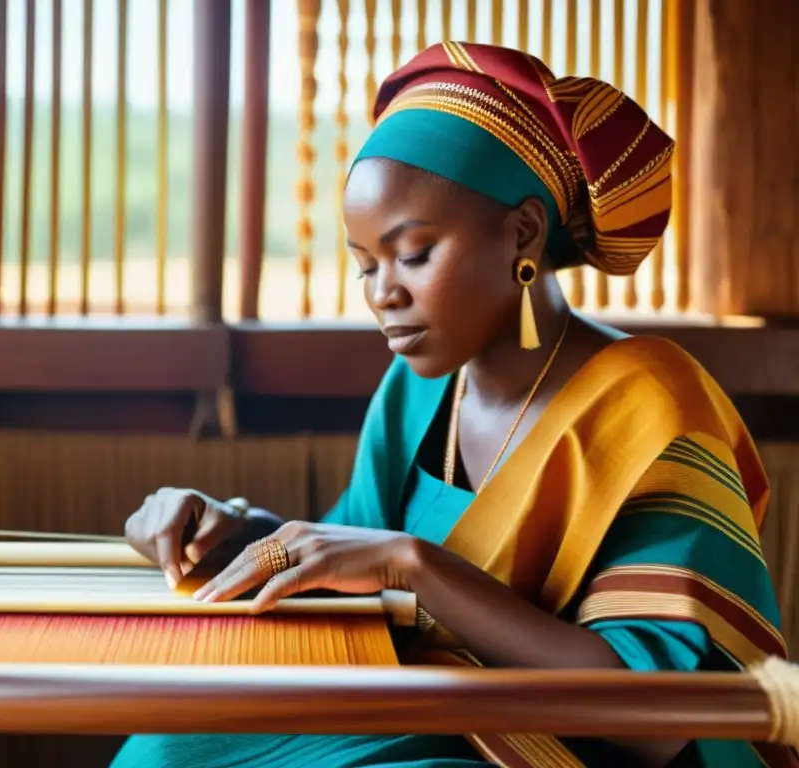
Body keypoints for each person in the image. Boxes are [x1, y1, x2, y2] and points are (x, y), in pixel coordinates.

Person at [111, 42, 792, 768]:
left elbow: (654, 718)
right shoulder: (421, 387)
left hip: (554, 749)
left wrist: (417, 565)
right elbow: (353, 557)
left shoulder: (653, 406)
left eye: (414, 254)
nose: (383, 294)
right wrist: (235, 530)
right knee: (168, 746)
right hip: (434, 709)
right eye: (366, 264)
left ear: (523, 233)